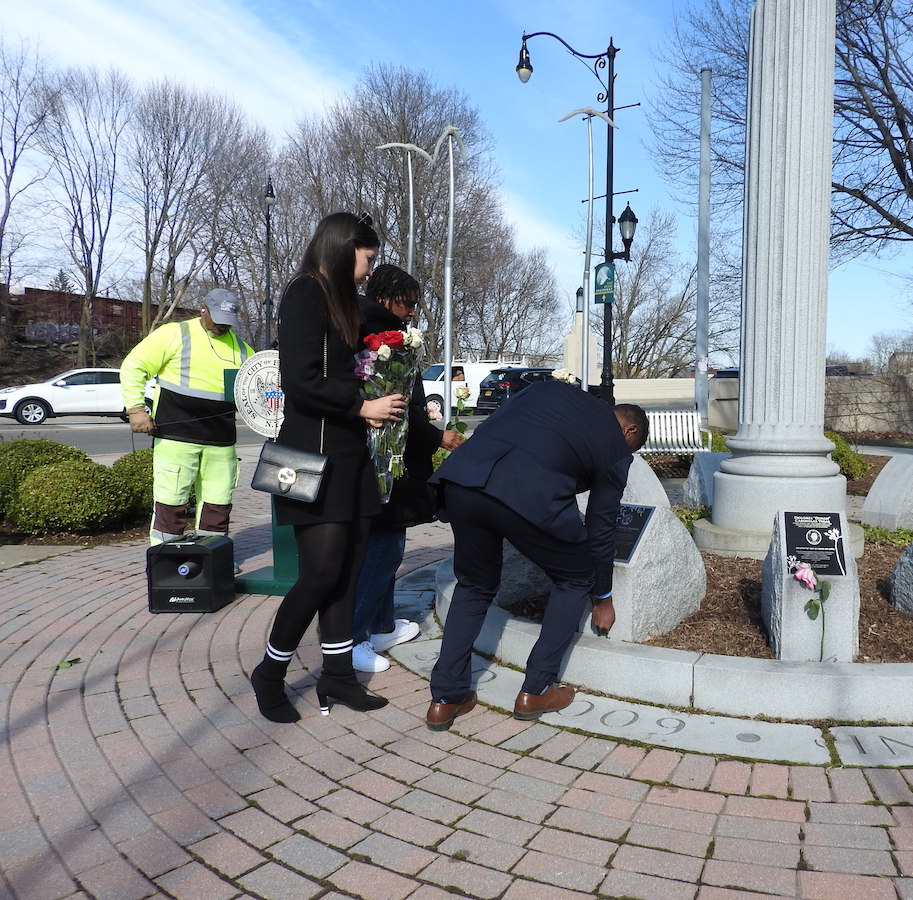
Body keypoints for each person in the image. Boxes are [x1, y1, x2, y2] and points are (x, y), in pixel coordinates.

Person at [249, 212, 408, 723]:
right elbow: (299, 382)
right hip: (309, 457)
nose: (368, 271)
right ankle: (269, 674)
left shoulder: (343, 300)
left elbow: (382, 319)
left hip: (349, 457)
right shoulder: (304, 293)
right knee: (319, 574)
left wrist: (402, 339)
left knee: (349, 570)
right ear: (344, 250)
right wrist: (362, 406)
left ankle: (337, 676)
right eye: (366, 260)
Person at [424, 381, 648, 730]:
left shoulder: (547, 390)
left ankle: (445, 698)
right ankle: (537, 689)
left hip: (464, 480)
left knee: (474, 585)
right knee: (575, 578)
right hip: (527, 496)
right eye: (631, 447)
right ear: (630, 430)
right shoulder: (615, 448)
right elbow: (601, 528)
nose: (627, 453)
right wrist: (602, 595)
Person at [352, 264, 463, 673]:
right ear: (385, 297)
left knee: (387, 548)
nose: (413, 311)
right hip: (379, 462)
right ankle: (354, 636)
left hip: (390, 461)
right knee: (379, 553)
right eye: (408, 303)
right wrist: (437, 437)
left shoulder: (389, 332)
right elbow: (393, 405)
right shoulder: (372, 334)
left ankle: (379, 625)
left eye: (416, 304)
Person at [120, 288, 254, 544]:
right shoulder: (175, 334)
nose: (223, 325)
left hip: (222, 442)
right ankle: (165, 560)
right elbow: (133, 366)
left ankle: (213, 556)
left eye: (229, 320)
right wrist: (136, 409)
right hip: (176, 437)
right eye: (217, 318)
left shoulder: (244, 350)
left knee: (219, 502)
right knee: (171, 501)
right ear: (203, 309)